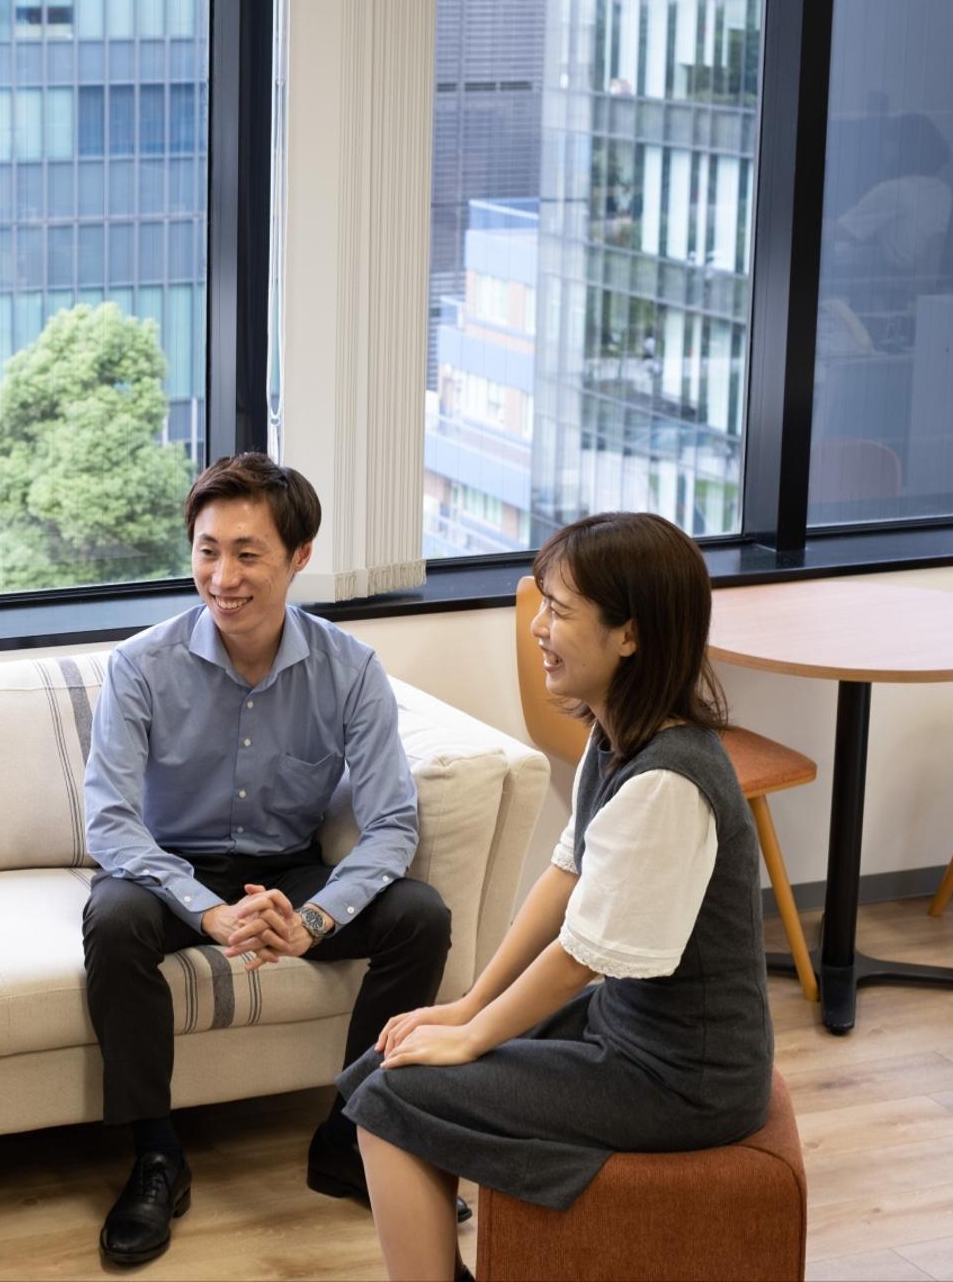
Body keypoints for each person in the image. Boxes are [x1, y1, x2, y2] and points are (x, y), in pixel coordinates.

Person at [340, 512, 774, 1282]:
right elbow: (565, 878)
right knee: (383, 1064)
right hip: (628, 1032)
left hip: (683, 1080)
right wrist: (467, 1006)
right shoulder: (616, 739)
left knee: (391, 1102)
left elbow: (579, 957)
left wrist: (473, 1037)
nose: (538, 627)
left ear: (629, 636)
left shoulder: (669, 781)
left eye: (560, 611)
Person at [81, 453, 454, 1266]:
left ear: (299, 556)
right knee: (112, 918)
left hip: (291, 871)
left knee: (420, 917)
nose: (223, 578)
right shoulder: (141, 666)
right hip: (173, 871)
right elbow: (109, 823)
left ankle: (351, 1135)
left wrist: (314, 919)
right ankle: (155, 1154)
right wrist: (209, 912)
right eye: (207, 551)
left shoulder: (350, 669)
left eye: (248, 554)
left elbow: (392, 823)